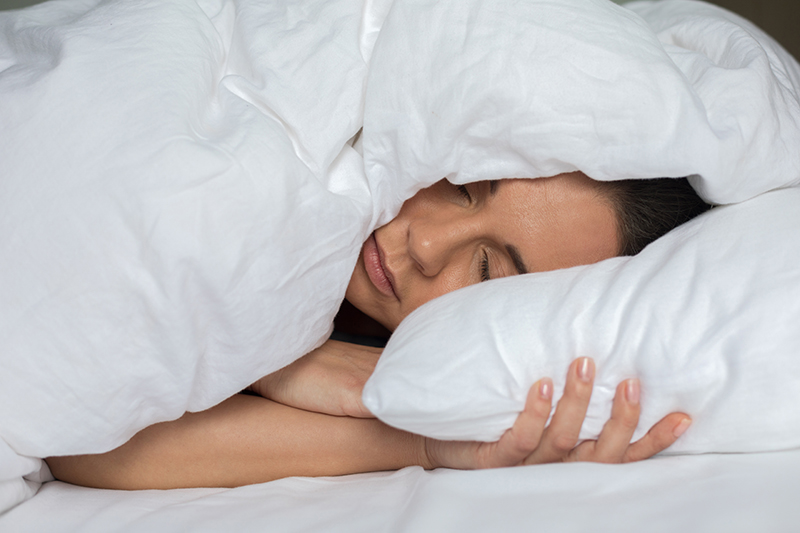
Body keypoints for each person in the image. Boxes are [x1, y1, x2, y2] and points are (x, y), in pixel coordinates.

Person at [45, 171, 710, 490]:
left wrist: (413, 441)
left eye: (486, 272)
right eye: (465, 187)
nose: (425, 242)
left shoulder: (399, 362)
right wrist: (267, 359)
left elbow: (81, 438)